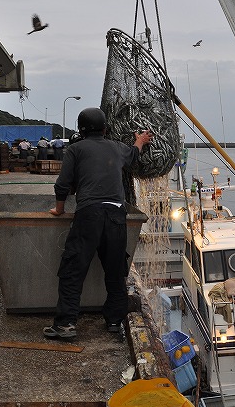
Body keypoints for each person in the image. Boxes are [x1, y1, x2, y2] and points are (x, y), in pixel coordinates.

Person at [43, 107, 153, 340]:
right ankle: (114, 321)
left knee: (73, 270)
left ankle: (66, 325)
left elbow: (63, 184)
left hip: (89, 214)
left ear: (81, 130)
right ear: (105, 128)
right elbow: (133, 156)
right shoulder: (117, 147)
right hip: (116, 216)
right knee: (115, 271)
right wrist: (141, 140)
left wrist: (59, 209)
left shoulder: (75, 149)